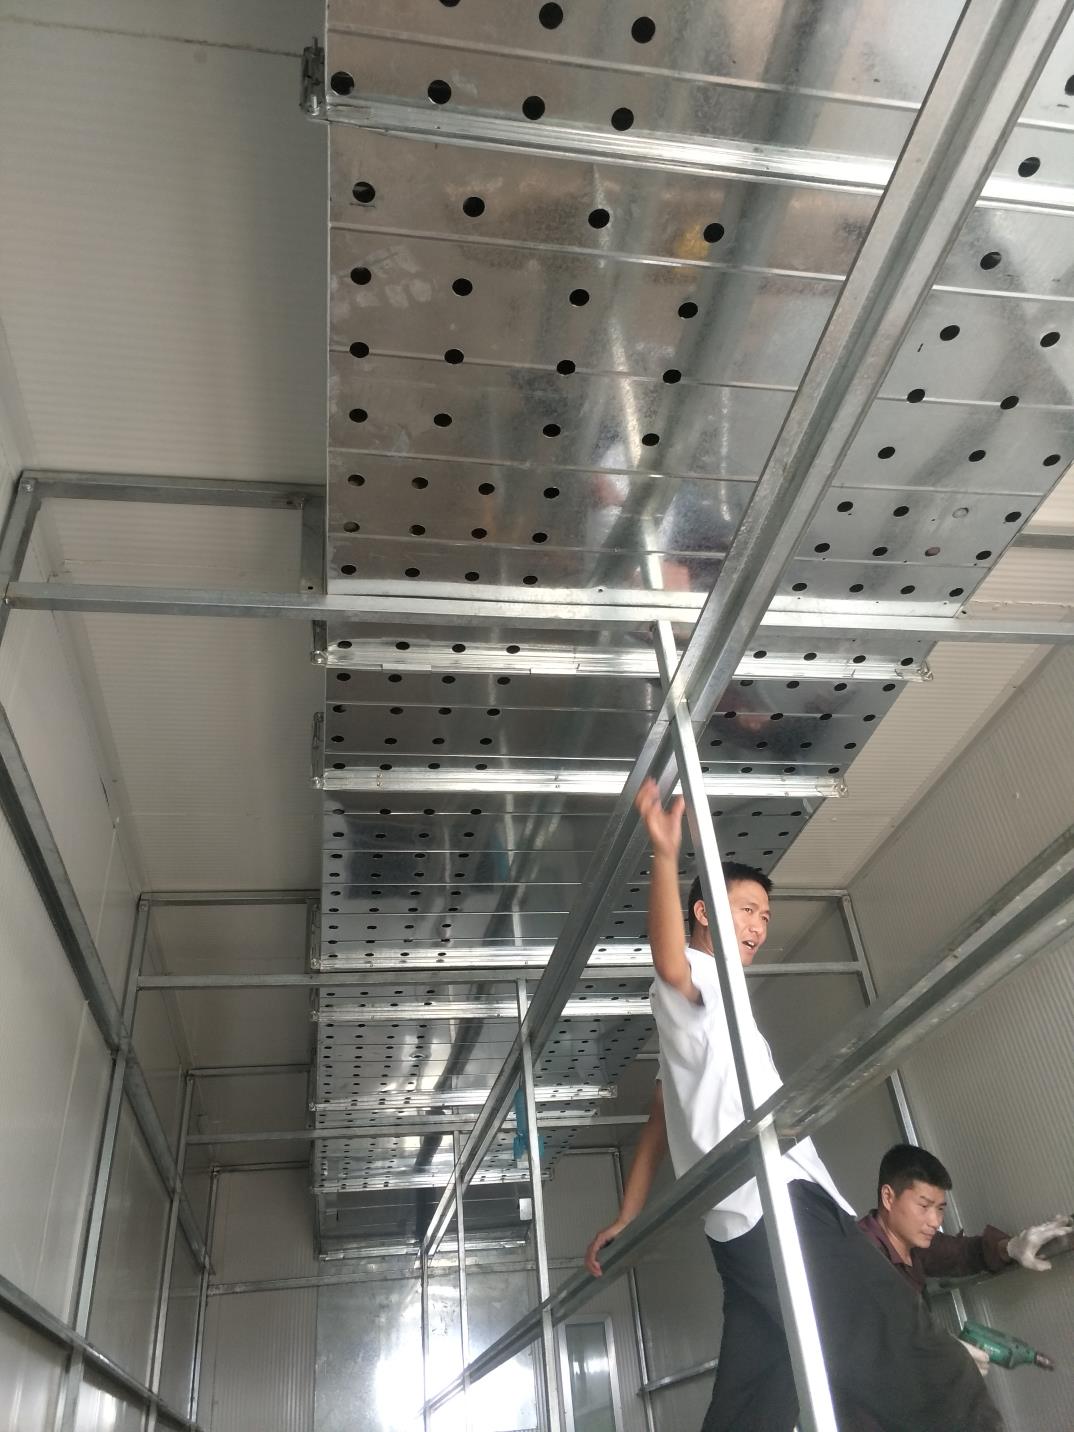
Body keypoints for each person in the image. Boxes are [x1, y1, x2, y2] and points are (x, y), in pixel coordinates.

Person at [584, 778, 1004, 1432]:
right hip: (774, 1204)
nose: (759, 926)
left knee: (755, 1400)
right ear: (703, 912)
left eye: (765, 918)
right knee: (917, 1353)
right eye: (747, 909)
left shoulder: (709, 1020)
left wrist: (629, 1214)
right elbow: (669, 964)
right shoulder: (698, 980)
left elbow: (661, 1118)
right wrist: (665, 854)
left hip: (739, 1229)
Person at [859, 1142, 1073, 1302]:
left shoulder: (913, 1242)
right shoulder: (859, 1257)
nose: (935, 1221)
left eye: (940, 1208)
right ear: (888, 1197)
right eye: (924, 1206)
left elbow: (964, 1253)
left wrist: (1010, 1247)